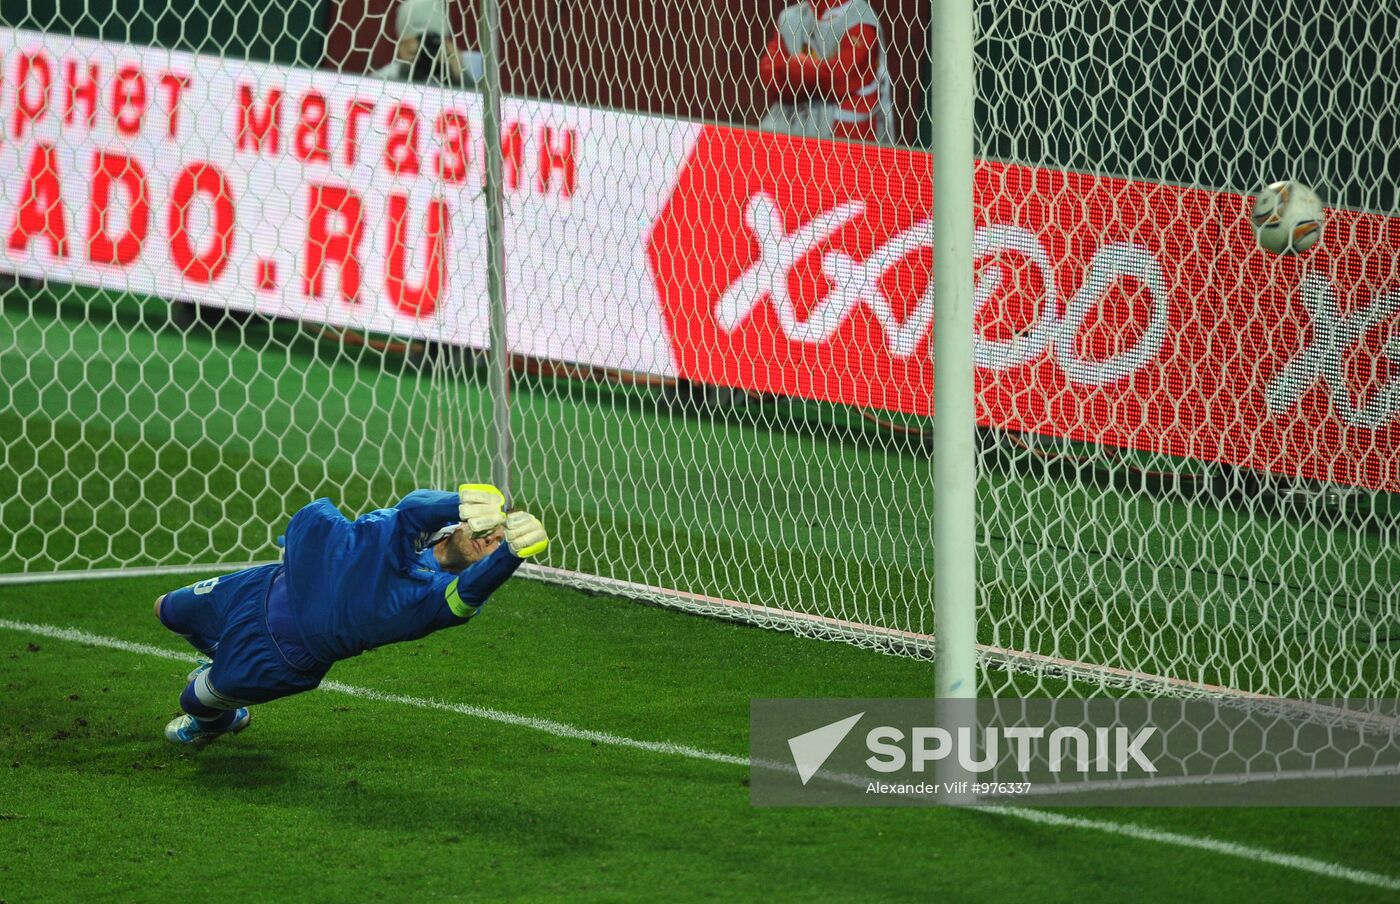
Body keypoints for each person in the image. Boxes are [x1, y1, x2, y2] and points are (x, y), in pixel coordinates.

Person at [155, 485, 548, 746]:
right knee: (168, 611)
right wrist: (458, 502)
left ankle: (217, 723)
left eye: (499, 542)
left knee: (195, 699)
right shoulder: (412, 530)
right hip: (263, 587)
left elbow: (467, 595)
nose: (488, 539)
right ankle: (218, 655)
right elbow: (411, 509)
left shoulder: (435, 598)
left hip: (280, 655)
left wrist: (510, 557)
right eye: (490, 528)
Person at [758, 0, 894, 144]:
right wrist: (814, 73)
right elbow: (770, 77)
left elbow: (840, 79)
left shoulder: (862, 21)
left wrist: (795, 70)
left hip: (846, 139)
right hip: (791, 131)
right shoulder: (791, 17)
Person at [372, 0, 482, 88]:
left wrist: (460, 74)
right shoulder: (384, 78)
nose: (427, 49)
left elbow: (489, 110)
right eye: (420, 40)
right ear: (402, 46)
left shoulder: (476, 65)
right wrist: (404, 70)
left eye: (433, 41)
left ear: (447, 40)